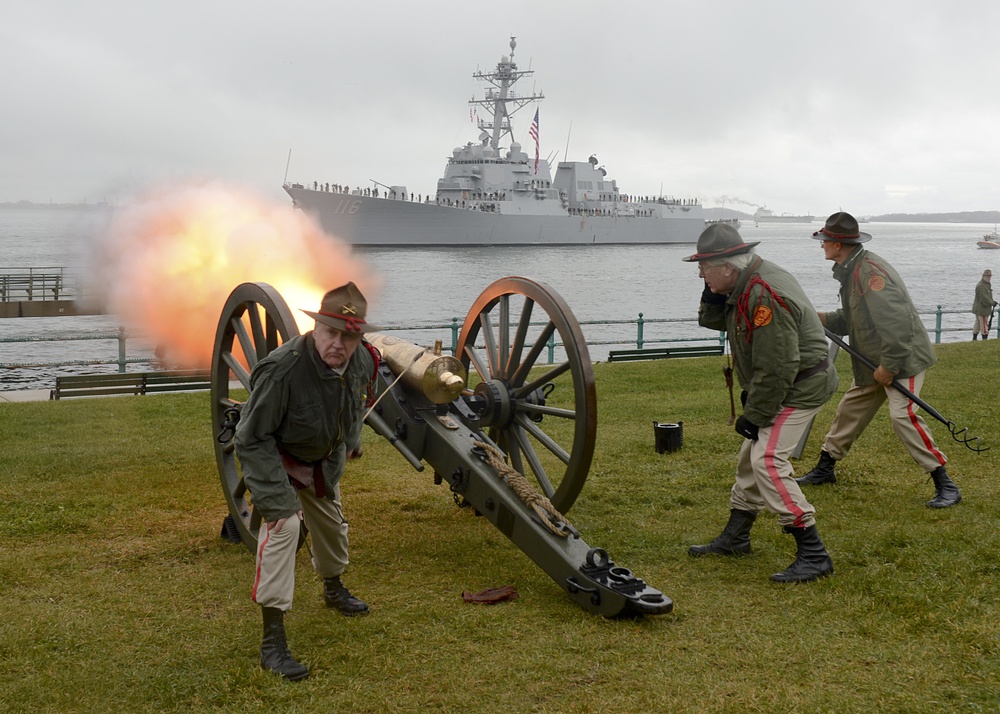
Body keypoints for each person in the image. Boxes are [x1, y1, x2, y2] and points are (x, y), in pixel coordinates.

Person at [235, 282, 380, 680]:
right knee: (285, 529)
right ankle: (273, 639)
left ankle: (333, 587)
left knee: (332, 529)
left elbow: (357, 403)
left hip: (321, 461)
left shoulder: (362, 361)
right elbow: (250, 438)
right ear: (315, 328)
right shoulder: (283, 371)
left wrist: (351, 441)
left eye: (349, 336)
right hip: (276, 459)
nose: (339, 344)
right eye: (331, 332)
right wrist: (277, 502)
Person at [684, 223, 838, 583]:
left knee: (767, 460)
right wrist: (710, 294)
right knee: (750, 458)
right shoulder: (746, 281)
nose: (700, 273)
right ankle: (736, 537)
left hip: (801, 386)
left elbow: (777, 365)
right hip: (789, 381)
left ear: (727, 266)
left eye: (704, 268)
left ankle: (813, 552)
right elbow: (718, 322)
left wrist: (755, 415)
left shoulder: (762, 294)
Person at [796, 212, 962, 509]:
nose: (821, 246)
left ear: (837, 244)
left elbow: (897, 325)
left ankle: (944, 482)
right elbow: (853, 319)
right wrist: (814, 317)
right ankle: (825, 468)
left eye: (824, 241)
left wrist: (890, 367)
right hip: (874, 361)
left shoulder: (870, 274)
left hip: (901, 359)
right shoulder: (851, 269)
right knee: (850, 410)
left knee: (903, 417)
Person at [972, 269, 995, 340]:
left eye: (989, 276)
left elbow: (986, 297)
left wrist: (992, 301)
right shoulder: (981, 286)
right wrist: (992, 302)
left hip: (981, 308)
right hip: (982, 308)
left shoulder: (986, 285)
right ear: (983, 276)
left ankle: (974, 338)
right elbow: (984, 298)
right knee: (984, 324)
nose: (989, 278)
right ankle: (984, 338)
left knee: (978, 323)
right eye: (987, 276)